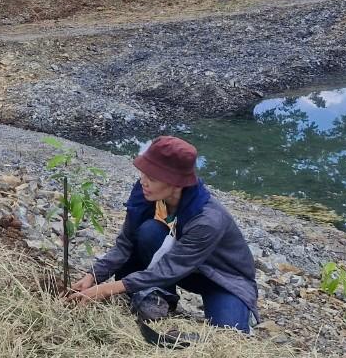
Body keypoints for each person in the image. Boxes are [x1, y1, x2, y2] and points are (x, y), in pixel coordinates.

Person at [68, 135, 258, 331]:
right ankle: (160, 297)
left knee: (229, 332)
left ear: (177, 183)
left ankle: (239, 310)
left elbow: (169, 269)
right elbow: (125, 244)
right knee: (148, 231)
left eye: (152, 178)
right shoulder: (145, 194)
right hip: (182, 268)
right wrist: (93, 276)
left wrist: (106, 290)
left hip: (222, 279)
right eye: (143, 173)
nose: (143, 182)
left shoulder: (207, 220)